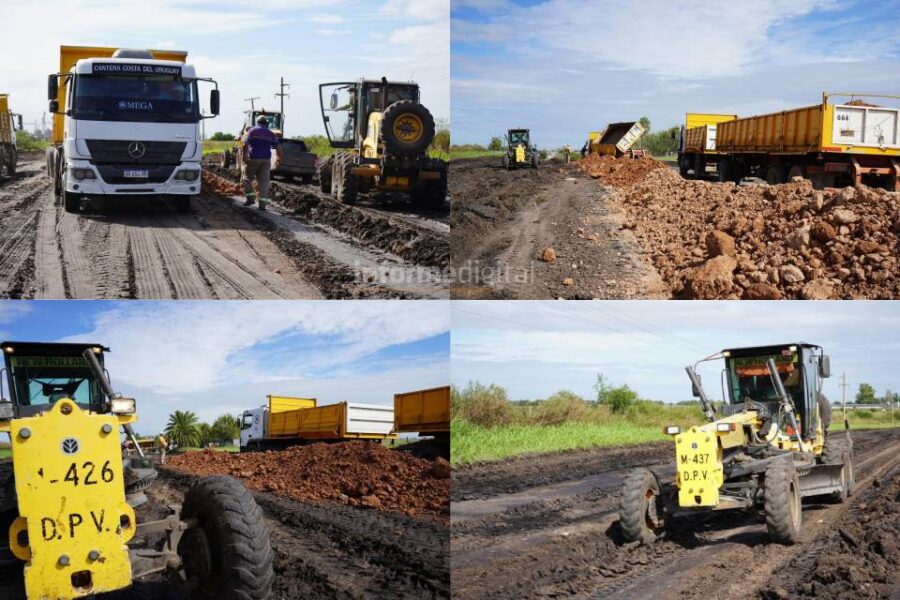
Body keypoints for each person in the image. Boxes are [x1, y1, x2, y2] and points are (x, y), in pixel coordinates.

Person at [241, 115, 283, 211]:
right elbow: (278, 148)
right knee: (264, 183)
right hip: (266, 161)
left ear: (257, 122)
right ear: (266, 123)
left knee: (247, 178)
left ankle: (251, 198)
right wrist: (279, 159)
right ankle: (262, 205)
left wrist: (244, 156)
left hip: (253, 159)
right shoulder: (271, 134)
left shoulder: (252, 131)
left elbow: (244, 144)